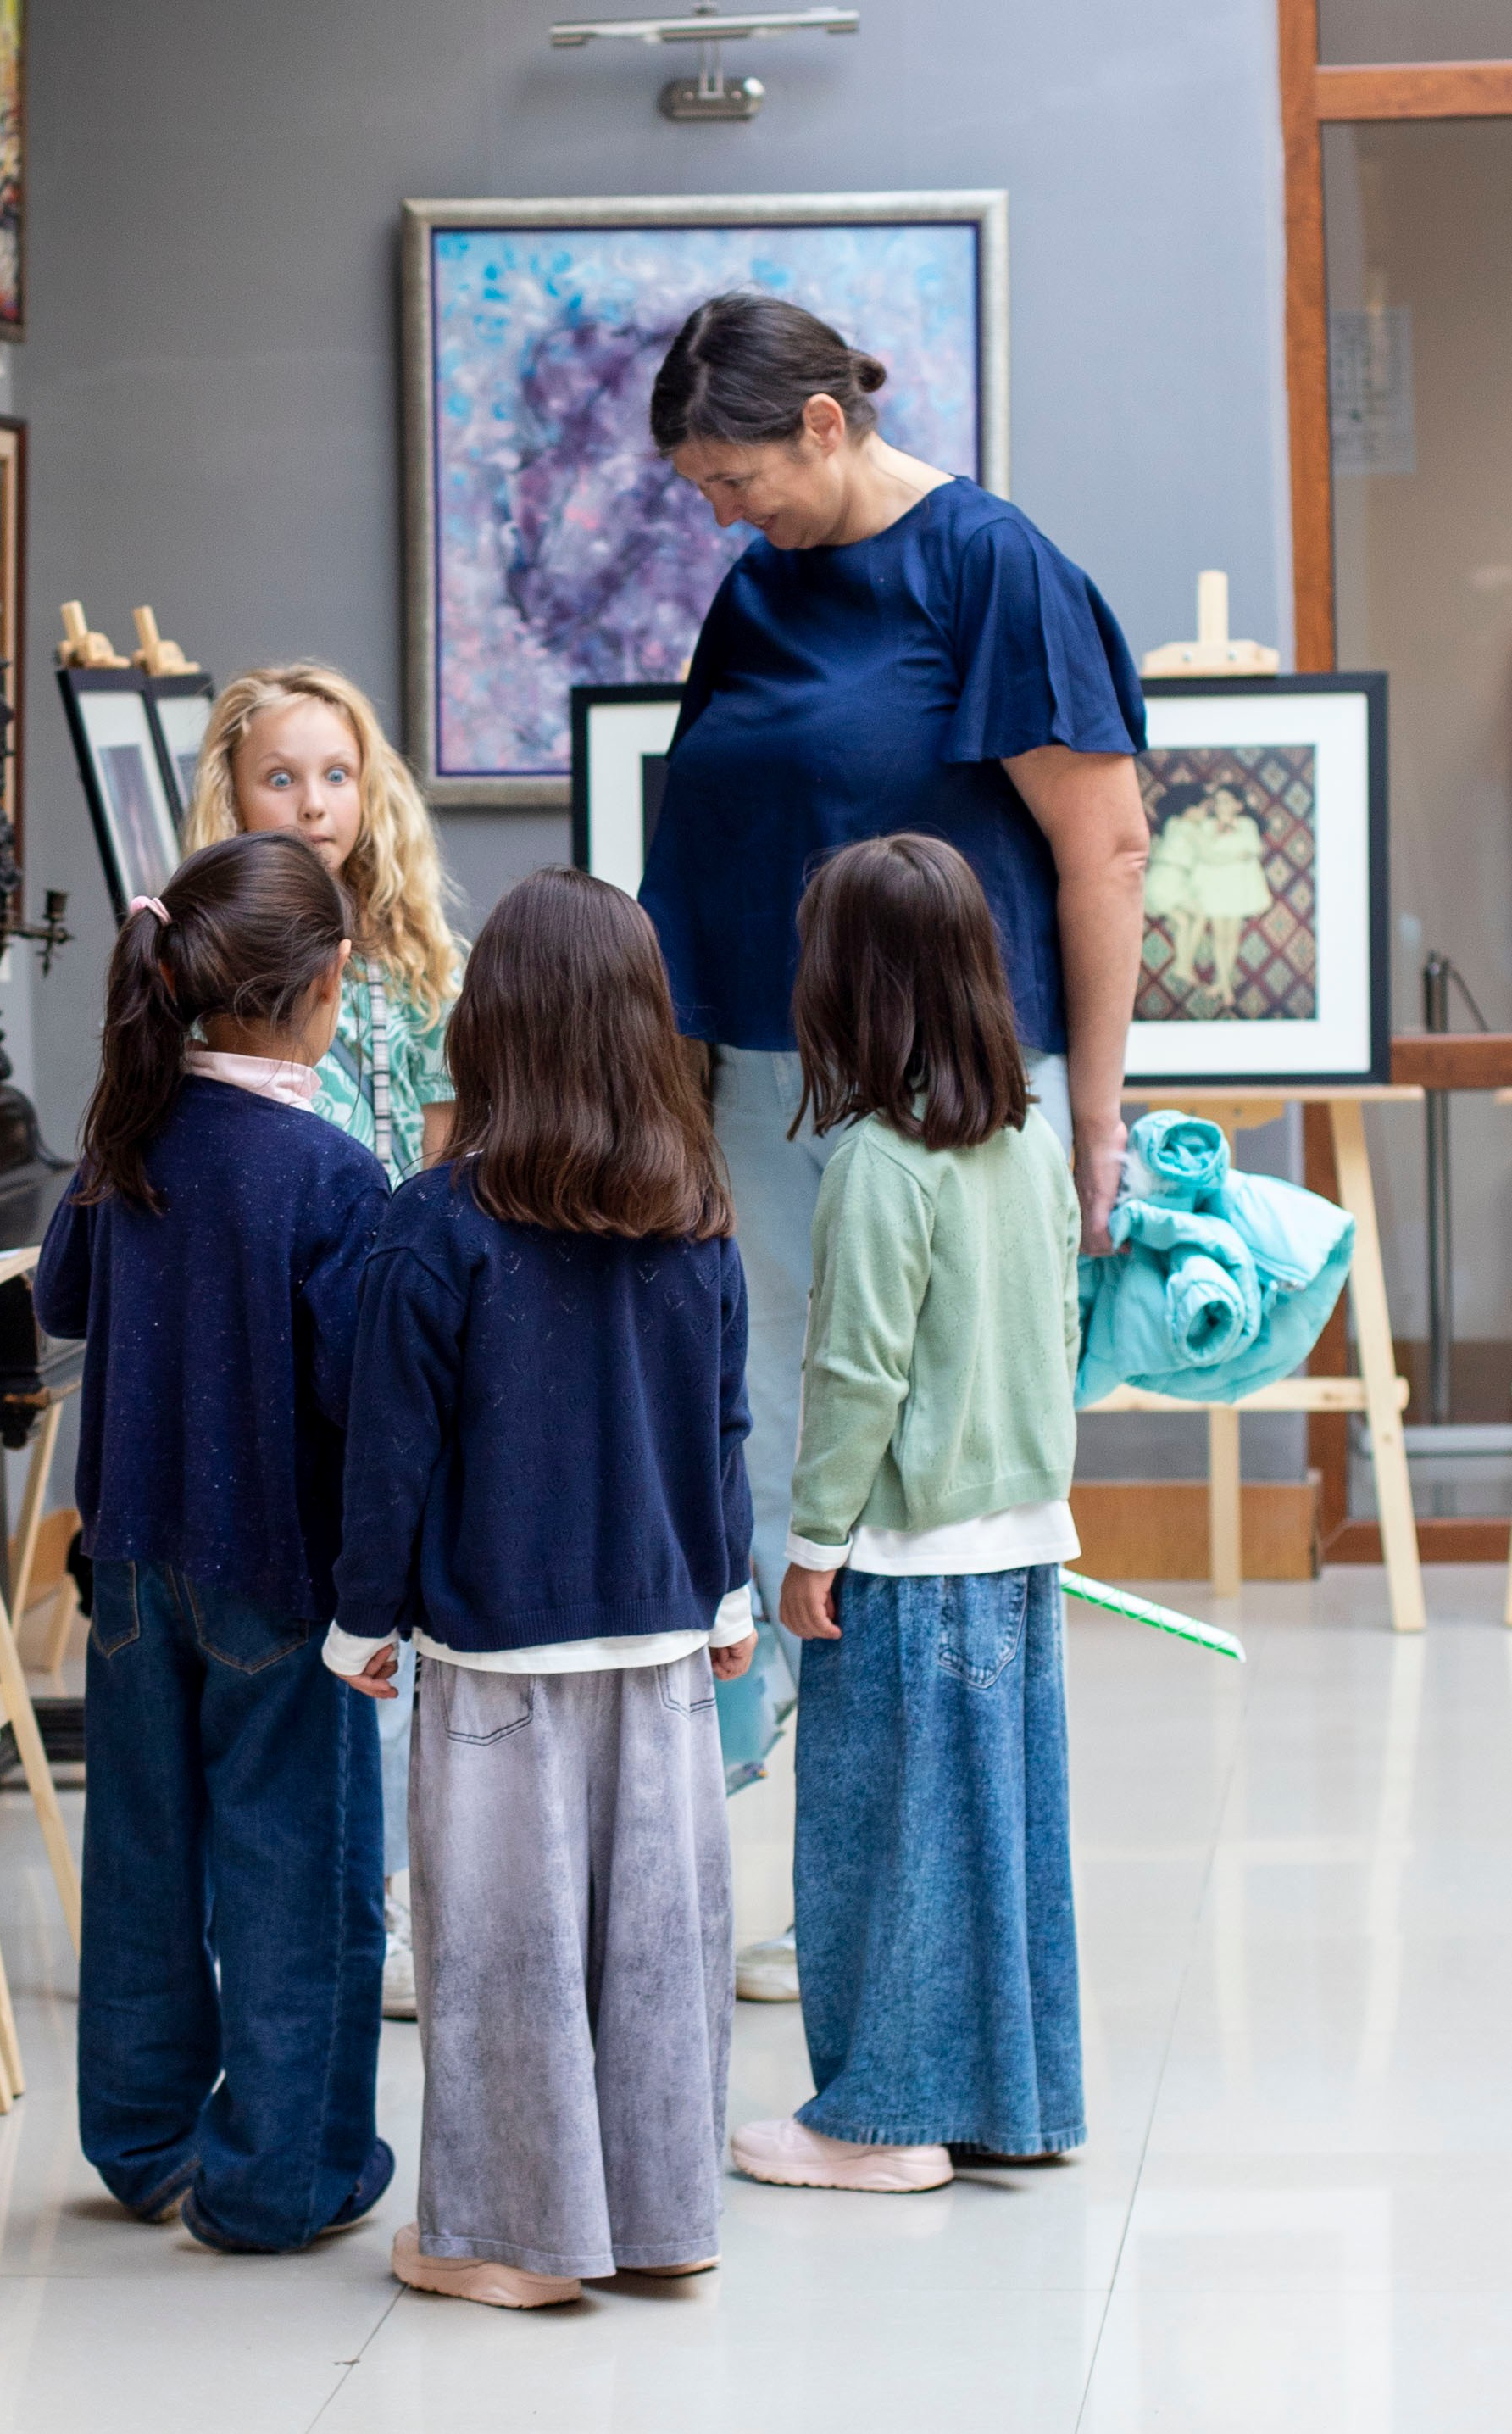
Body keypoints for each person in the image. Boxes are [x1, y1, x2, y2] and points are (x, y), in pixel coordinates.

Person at [641, 292, 1147, 1991]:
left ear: (824, 424)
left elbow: (1105, 847)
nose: (721, 510)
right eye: (697, 487)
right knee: (757, 1470)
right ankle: (697, 1863)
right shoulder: (758, 583)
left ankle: (865, 1893)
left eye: (734, 476)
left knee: (891, 1502)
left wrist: (1092, 1119)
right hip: (762, 1092)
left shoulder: (982, 565)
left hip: (939, 1112)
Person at [326, 867, 756, 2309]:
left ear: (484, 1025)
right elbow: (722, 1429)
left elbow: (391, 1454)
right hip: (663, 1642)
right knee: (659, 1945)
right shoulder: (697, 1219)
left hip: (496, 1655)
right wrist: (731, 1597)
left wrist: (359, 1620)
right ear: (647, 1025)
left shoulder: (431, 1225)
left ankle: (513, 2236)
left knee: (501, 1952)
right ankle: (662, 2214)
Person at [33, 831, 393, 2254]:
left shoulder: (129, 1130)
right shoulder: (327, 1172)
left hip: (126, 1560)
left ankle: (140, 2142)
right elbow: (355, 1397)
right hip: (275, 1578)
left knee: (141, 1851)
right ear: (327, 986)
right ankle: (278, 2178)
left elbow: (65, 1302)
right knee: (291, 1867)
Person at [731, 835, 1083, 2195]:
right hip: (1017, 1546)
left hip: (895, 1558)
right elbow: (1058, 1329)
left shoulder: (881, 1162)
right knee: (999, 1838)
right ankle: (1017, 2097)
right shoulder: (1027, 1141)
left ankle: (882, 2114)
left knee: (879, 1844)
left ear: (851, 988)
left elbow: (856, 1372)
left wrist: (810, 1544)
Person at [186, 662, 463, 2019]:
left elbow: (441, 1162)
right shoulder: (197, 955)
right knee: (258, 1636)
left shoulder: (415, 978)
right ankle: (265, 1902)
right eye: (280, 777)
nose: (311, 802)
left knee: (377, 1618)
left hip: (370, 1334)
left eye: (335, 775)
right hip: (244, 1341)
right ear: (232, 791)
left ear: (373, 789)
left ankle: (386, 1896)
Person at [1196, 783, 1272, 1012]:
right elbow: (1207, 854)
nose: (1222, 806)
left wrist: (1229, 852)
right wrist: (1230, 854)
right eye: (1218, 801)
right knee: (1219, 934)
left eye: (1227, 801)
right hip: (1216, 883)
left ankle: (1222, 981)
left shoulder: (1247, 825)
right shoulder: (1208, 826)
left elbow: (1252, 850)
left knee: (1232, 933)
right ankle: (1225, 985)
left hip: (1239, 884)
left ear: (1239, 805)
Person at [1142, 783, 1211, 1005]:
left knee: (1182, 921)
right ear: (1189, 809)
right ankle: (1184, 965)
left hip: (1168, 879)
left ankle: (1183, 966)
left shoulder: (1173, 823)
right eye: (1203, 808)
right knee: (1198, 915)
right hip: (1167, 880)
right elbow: (1209, 850)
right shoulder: (1187, 827)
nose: (1205, 813)